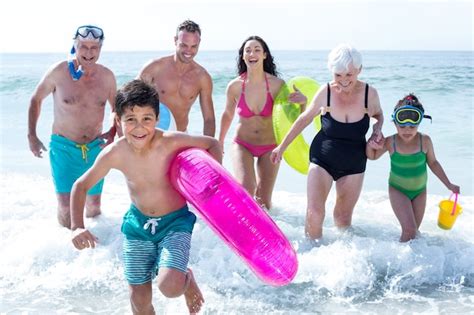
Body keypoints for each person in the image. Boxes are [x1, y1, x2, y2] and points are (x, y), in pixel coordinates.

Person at [70, 80, 222, 314]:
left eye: (146, 119)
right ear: (118, 121)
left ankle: (186, 280)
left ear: (157, 118)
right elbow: (80, 186)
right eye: (131, 119)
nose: (139, 128)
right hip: (138, 227)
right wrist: (77, 227)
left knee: (169, 287)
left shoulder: (170, 142)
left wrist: (209, 186)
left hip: (174, 224)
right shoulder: (115, 153)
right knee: (139, 301)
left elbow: (212, 144)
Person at [270, 44, 384, 242]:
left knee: (343, 217)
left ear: (359, 70)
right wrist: (282, 147)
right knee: (314, 212)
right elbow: (304, 119)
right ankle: (311, 255)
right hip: (323, 157)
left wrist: (377, 129)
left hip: (354, 162)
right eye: (338, 75)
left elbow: (379, 116)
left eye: (349, 74)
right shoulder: (326, 92)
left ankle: (341, 258)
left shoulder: (369, 94)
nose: (344, 80)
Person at [27, 25, 117, 229]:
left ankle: (94, 248)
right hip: (63, 148)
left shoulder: (107, 77)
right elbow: (36, 99)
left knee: (93, 206)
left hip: (95, 148)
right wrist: (32, 135)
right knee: (66, 206)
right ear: (74, 45)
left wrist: (113, 131)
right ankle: (67, 245)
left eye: (94, 47)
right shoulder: (58, 72)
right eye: (83, 46)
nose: (88, 52)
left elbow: (116, 108)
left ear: (100, 49)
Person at [366, 94, 460, 242]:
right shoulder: (392, 142)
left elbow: (433, 163)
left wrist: (449, 184)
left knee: (414, 233)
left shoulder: (425, 141)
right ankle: (397, 264)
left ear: (419, 123)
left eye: (412, 126)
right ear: (395, 123)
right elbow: (372, 156)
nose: (407, 130)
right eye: (402, 126)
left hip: (420, 192)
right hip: (398, 190)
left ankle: (411, 261)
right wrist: (371, 143)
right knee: (409, 230)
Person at [219, 36, 285, 209]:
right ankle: (240, 230)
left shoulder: (278, 85)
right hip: (243, 144)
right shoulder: (235, 86)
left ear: (264, 55)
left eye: (257, 50)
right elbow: (227, 115)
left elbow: (291, 117)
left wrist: (302, 103)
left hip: (270, 146)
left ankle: (264, 234)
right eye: (248, 50)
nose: (252, 53)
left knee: (264, 201)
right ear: (243, 56)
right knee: (247, 189)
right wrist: (219, 142)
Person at [138, 20, 215, 136]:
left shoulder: (202, 77)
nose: (189, 51)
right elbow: (129, 98)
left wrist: (208, 147)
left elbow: (209, 119)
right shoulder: (155, 68)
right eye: (184, 45)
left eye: (194, 46)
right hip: (153, 135)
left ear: (199, 43)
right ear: (175, 40)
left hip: (181, 136)